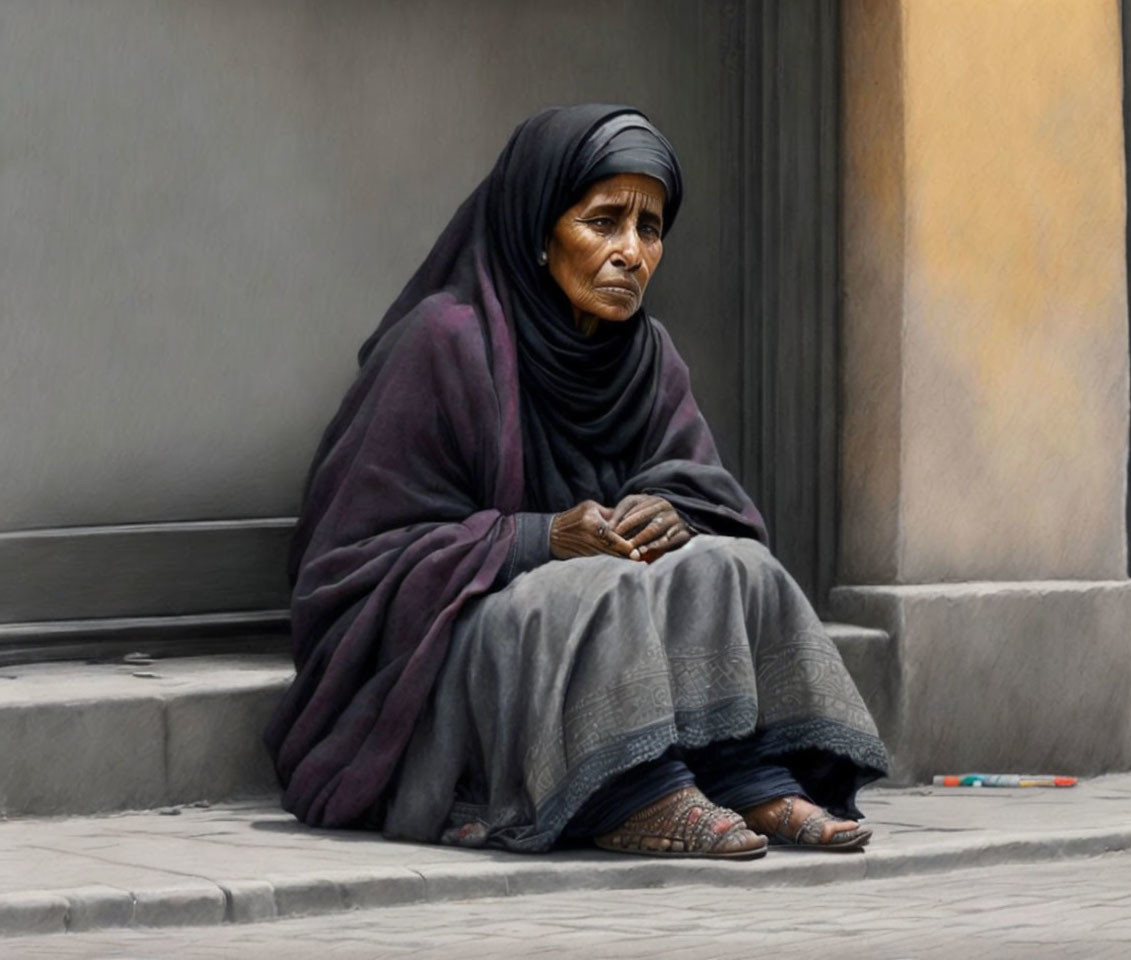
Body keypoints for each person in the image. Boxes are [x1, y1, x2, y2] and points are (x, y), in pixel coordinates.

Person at [264, 104, 889, 860]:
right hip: (455, 656)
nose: (630, 252)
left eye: (649, 229)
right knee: (602, 585)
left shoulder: (646, 353)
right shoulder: (444, 343)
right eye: (603, 222)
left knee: (734, 565)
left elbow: (706, 492)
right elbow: (350, 565)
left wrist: (672, 512)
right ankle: (628, 793)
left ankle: (745, 773)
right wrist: (539, 538)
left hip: (582, 623)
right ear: (539, 232)